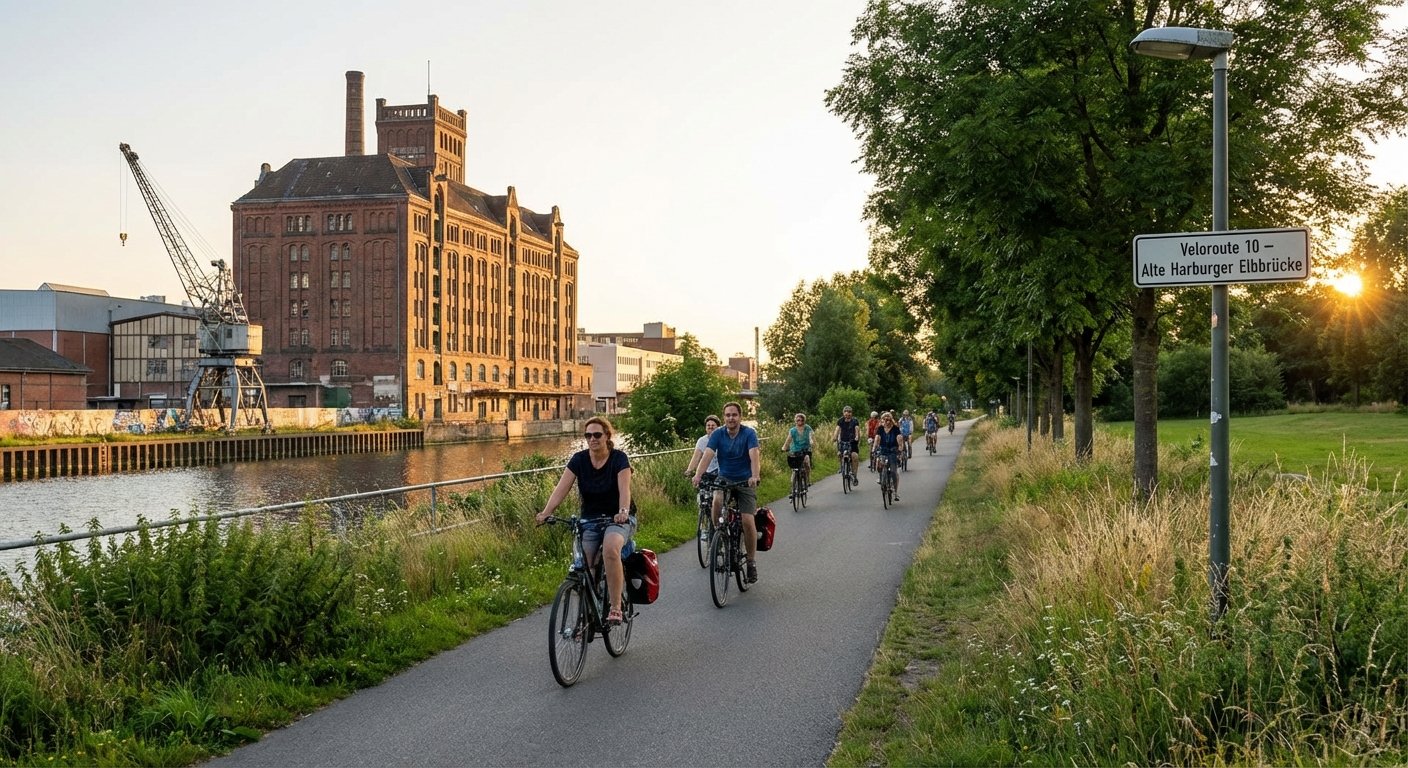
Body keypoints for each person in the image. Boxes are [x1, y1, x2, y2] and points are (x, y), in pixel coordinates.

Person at [536, 416, 635, 625]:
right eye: (588, 435)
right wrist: (546, 512)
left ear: (607, 436)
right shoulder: (579, 460)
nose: (592, 439)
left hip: (617, 518)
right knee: (585, 561)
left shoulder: (619, 459)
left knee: (610, 549)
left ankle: (616, 607)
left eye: (597, 434)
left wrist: (623, 511)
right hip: (589, 519)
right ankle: (588, 614)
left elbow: (624, 489)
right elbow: (560, 489)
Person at [691, 402, 761, 583]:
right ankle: (718, 533)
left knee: (747, 519)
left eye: (734, 415)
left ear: (740, 417)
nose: (731, 418)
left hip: (745, 479)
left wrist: (755, 475)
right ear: (724, 418)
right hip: (725, 477)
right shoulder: (717, 434)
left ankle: (751, 562)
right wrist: (698, 475)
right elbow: (707, 454)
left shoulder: (749, 434)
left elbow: (754, 455)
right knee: (716, 500)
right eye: (728, 415)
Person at [874, 411, 907, 501]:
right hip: (883, 451)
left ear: (891, 420)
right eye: (885, 420)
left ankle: (895, 493)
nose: (887, 422)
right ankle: (881, 478)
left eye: (889, 420)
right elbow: (877, 439)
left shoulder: (895, 429)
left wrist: (900, 451)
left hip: (893, 451)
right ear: (882, 420)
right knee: (878, 464)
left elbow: (900, 440)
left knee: (893, 472)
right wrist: (874, 449)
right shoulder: (880, 428)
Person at [784, 412, 814, 492]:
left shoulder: (808, 428)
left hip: (805, 450)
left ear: (804, 421)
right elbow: (788, 439)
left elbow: (810, 436)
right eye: (798, 420)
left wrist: (811, 441)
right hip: (795, 450)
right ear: (795, 421)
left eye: (801, 420)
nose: (800, 421)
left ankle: (807, 479)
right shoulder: (792, 430)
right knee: (794, 468)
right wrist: (784, 447)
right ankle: (793, 487)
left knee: (807, 462)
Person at [834, 405, 862, 482]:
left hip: (852, 441)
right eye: (846, 412)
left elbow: (857, 429)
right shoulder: (840, 420)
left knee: (854, 456)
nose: (847, 413)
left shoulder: (854, 420)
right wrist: (835, 437)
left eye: (849, 412)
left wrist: (857, 436)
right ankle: (842, 467)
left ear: (851, 413)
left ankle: (854, 475)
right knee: (839, 454)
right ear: (843, 413)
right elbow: (837, 429)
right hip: (843, 441)